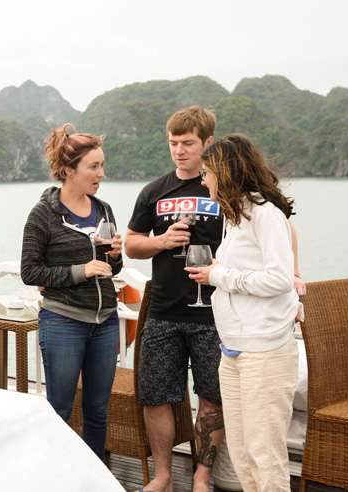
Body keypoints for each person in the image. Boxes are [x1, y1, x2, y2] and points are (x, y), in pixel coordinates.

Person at [186, 134, 300, 492]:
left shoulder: (265, 214)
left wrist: (218, 275)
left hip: (264, 352)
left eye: (206, 173)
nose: (203, 181)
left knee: (264, 454)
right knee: (241, 453)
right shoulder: (235, 216)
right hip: (233, 350)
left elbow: (280, 279)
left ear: (226, 172)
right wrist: (221, 273)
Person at [124, 106, 224, 492]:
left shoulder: (221, 189)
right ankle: (163, 475)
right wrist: (162, 241)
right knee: (155, 396)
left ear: (207, 143)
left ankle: (202, 475)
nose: (179, 151)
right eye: (173, 143)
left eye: (188, 143)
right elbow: (132, 244)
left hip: (213, 314)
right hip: (163, 311)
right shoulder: (154, 191)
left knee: (212, 397)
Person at [20, 125, 123, 462]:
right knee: (60, 409)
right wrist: (82, 270)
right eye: (93, 166)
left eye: (102, 165)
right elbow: (30, 271)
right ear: (68, 170)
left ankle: (94, 477)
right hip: (63, 322)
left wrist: (115, 256)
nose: (101, 174)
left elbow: (111, 268)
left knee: (98, 410)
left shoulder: (104, 209)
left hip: (105, 323)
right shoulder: (43, 215)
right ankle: (56, 475)